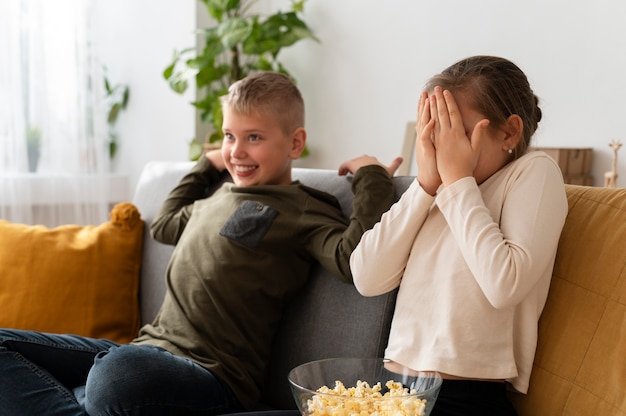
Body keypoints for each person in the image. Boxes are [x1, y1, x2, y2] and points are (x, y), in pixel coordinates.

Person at [0, 72, 402, 415]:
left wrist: (372, 177)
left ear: (295, 143)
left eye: (254, 137)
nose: (237, 151)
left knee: (115, 375)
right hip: (144, 351)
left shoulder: (302, 208)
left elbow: (350, 258)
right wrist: (205, 166)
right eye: (229, 136)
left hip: (211, 374)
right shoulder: (215, 198)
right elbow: (165, 224)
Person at [350, 56, 568, 416]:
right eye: (435, 132)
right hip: (391, 390)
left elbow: (504, 284)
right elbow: (366, 277)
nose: (443, 147)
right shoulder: (438, 191)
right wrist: (424, 187)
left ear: (509, 133)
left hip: (462, 398)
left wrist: (458, 181)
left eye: (456, 131)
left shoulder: (533, 171)